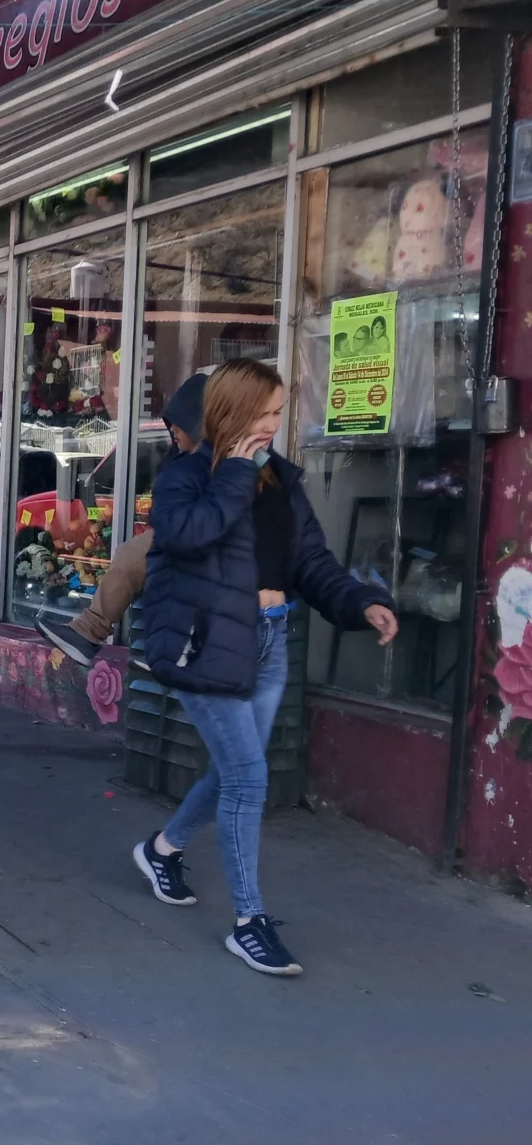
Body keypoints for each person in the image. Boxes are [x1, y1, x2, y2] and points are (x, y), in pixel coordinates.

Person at [134, 358, 398, 977]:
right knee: (250, 779)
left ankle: (161, 849)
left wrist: (363, 603)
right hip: (205, 645)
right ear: (233, 411)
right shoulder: (184, 476)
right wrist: (232, 469)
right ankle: (249, 922)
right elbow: (191, 535)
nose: (277, 424)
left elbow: (311, 561)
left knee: (233, 773)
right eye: (269, 412)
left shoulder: (282, 480)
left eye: (281, 412)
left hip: (270, 643)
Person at [37, 374, 206, 666]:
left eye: (181, 421)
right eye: (172, 422)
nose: (173, 429)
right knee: (136, 554)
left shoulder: (221, 461)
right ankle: (91, 632)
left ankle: (169, 646)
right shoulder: (182, 459)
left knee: (141, 555)